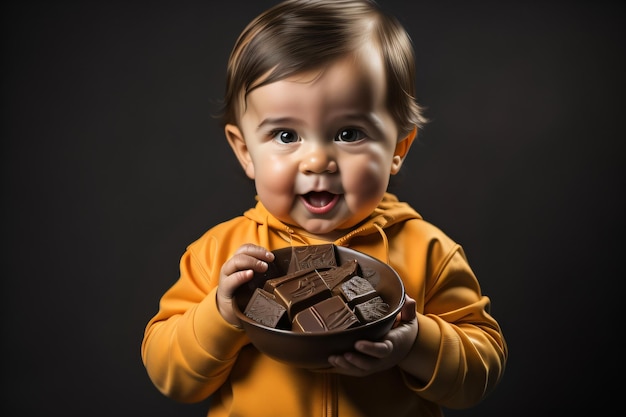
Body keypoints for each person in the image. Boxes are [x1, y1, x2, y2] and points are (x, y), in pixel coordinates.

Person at [141, 1, 508, 416]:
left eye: (349, 133)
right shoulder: (219, 255)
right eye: (285, 135)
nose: (317, 160)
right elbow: (169, 374)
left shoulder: (428, 251)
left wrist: (416, 343)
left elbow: (481, 372)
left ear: (397, 150)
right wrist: (222, 315)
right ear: (245, 151)